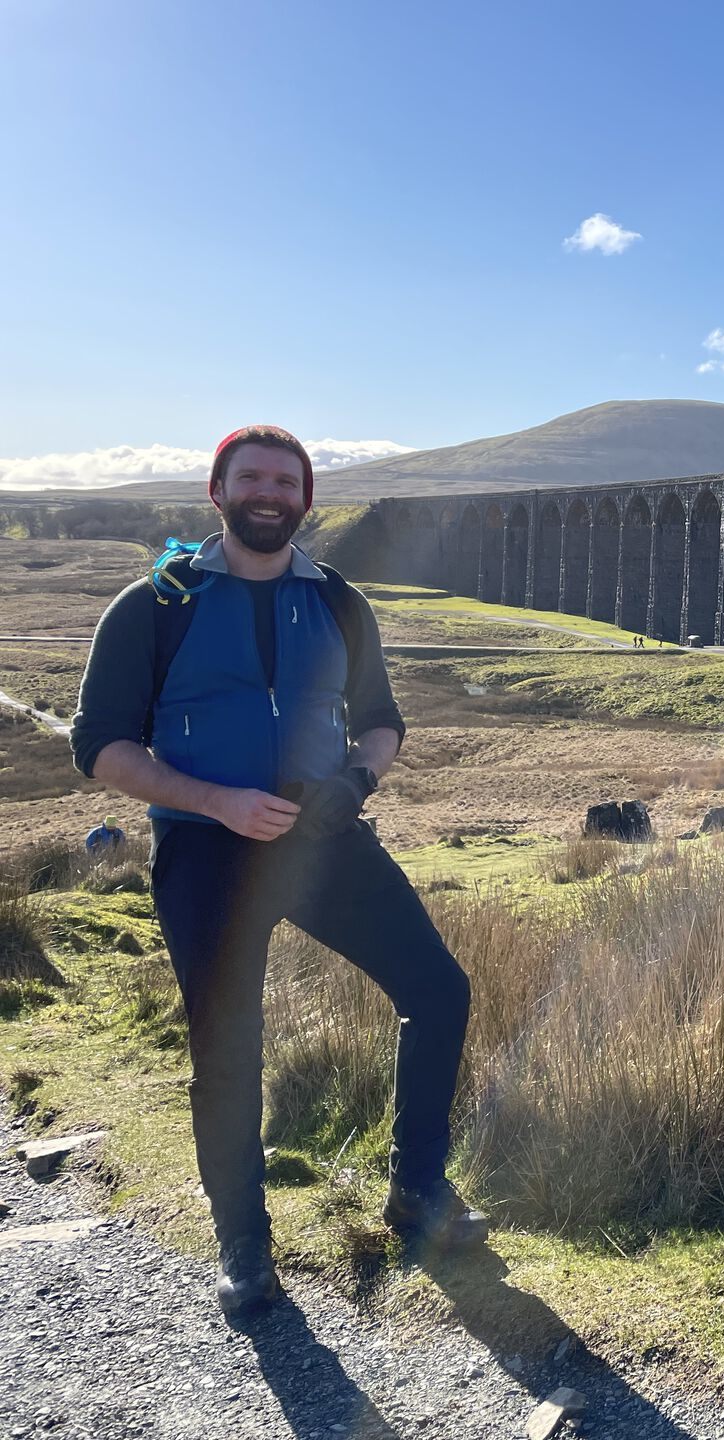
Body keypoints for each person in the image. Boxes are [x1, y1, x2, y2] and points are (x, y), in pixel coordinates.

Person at [70, 424, 488, 1320]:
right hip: (207, 847)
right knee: (228, 1050)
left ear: (307, 498)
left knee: (439, 990)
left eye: (286, 482)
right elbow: (99, 747)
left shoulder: (337, 601)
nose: (269, 494)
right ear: (215, 491)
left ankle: (419, 1190)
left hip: (322, 836)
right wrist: (216, 803)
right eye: (250, 478)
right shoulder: (154, 604)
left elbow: (382, 718)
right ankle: (244, 1243)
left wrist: (355, 781)